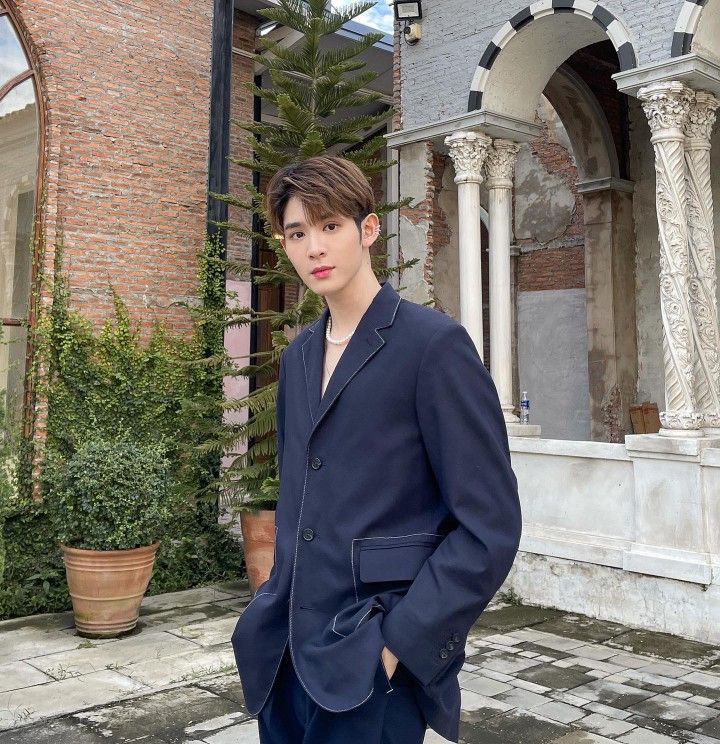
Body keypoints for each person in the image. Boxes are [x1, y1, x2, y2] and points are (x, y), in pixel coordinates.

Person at [230, 155, 522, 744]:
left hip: (371, 665)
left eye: (330, 225)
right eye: (297, 232)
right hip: (284, 656)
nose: (314, 246)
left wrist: (397, 645)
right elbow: (301, 499)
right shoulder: (298, 358)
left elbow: (489, 526)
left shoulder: (433, 346)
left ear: (367, 231)